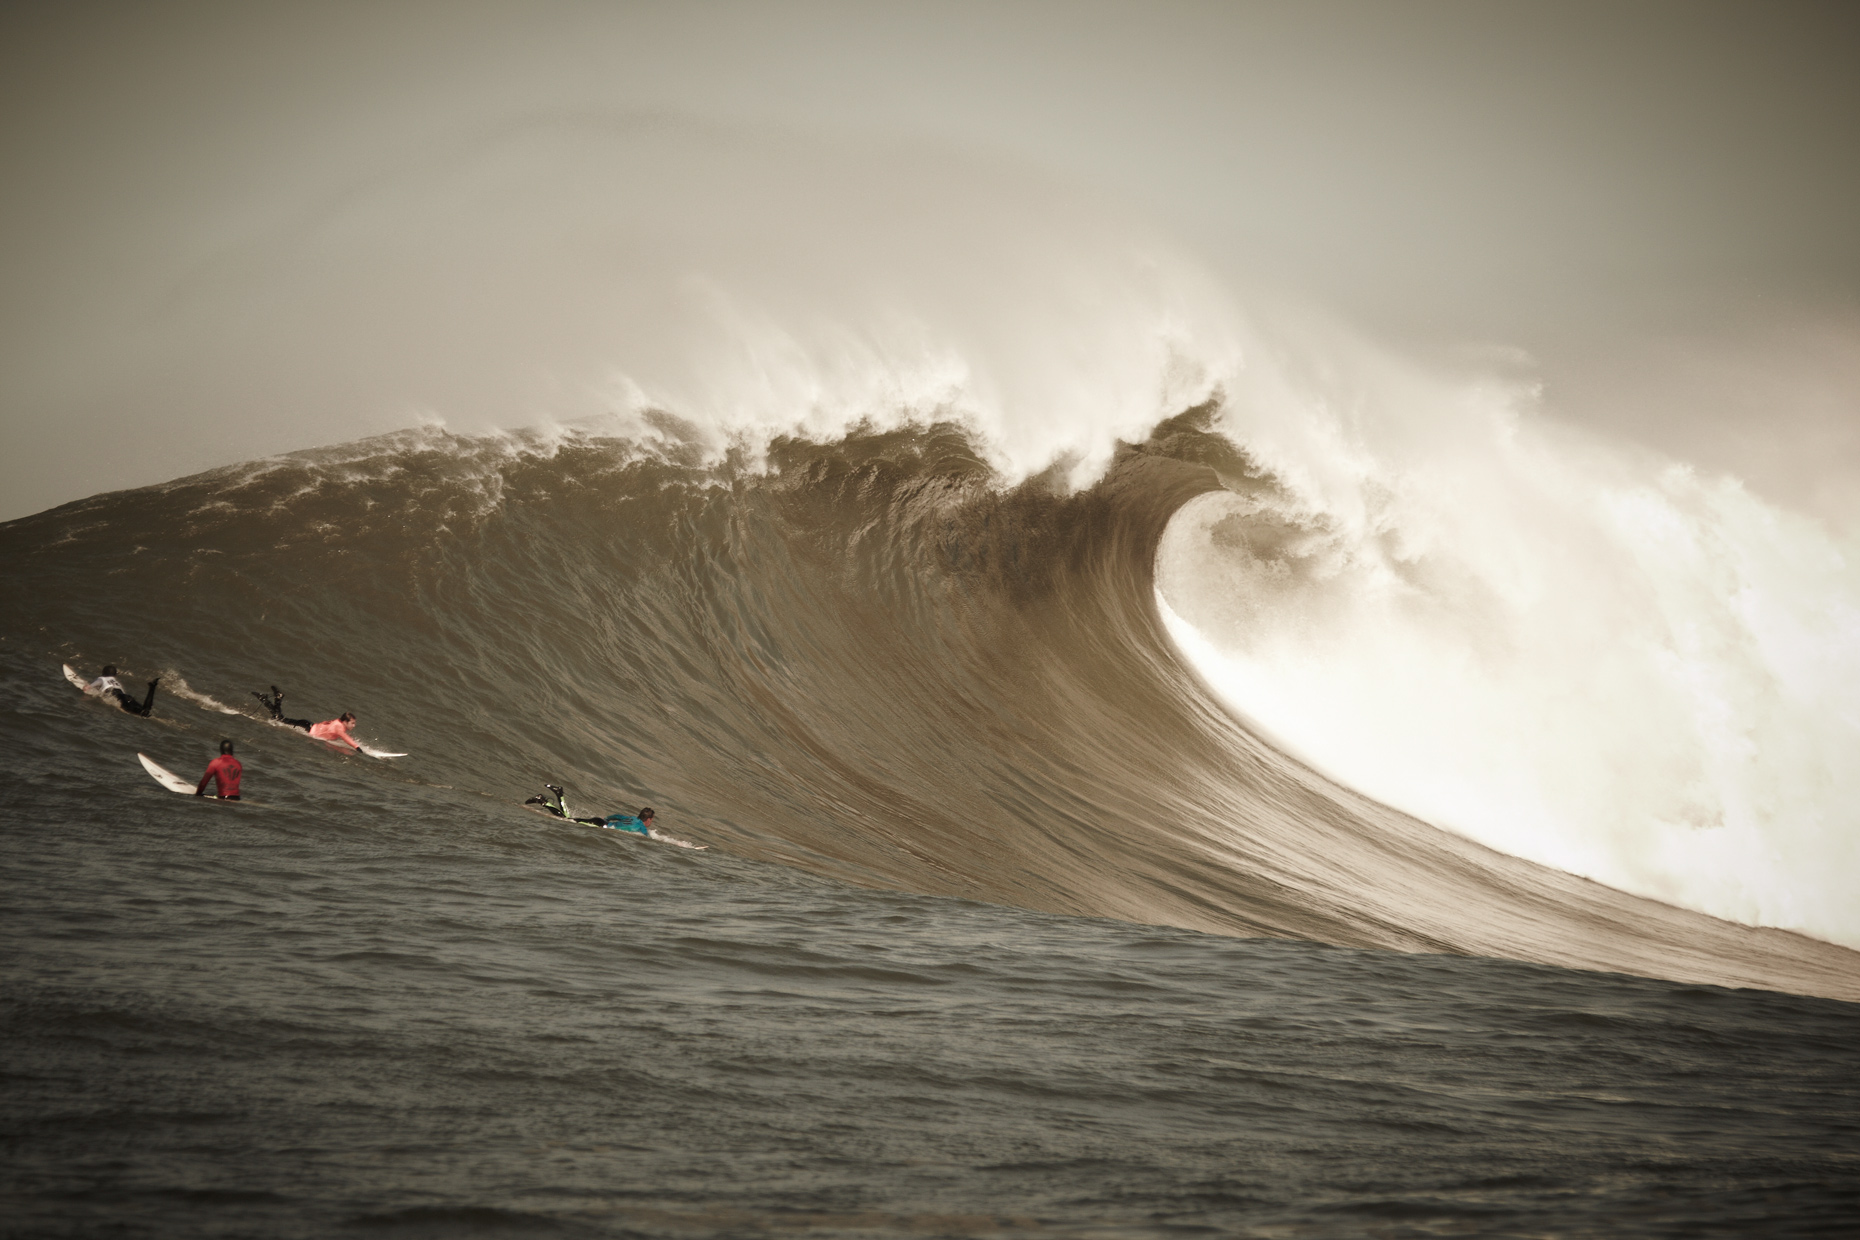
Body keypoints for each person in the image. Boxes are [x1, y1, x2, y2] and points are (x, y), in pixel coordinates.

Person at [87, 664, 159, 717]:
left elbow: (89, 687)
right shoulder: (116, 682)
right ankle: (152, 688)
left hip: (117, 696)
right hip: (126, 696)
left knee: (131, 710)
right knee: (145, 709)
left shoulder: (101, 678)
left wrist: (86, 688)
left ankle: (142, 711)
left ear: (103, 673)